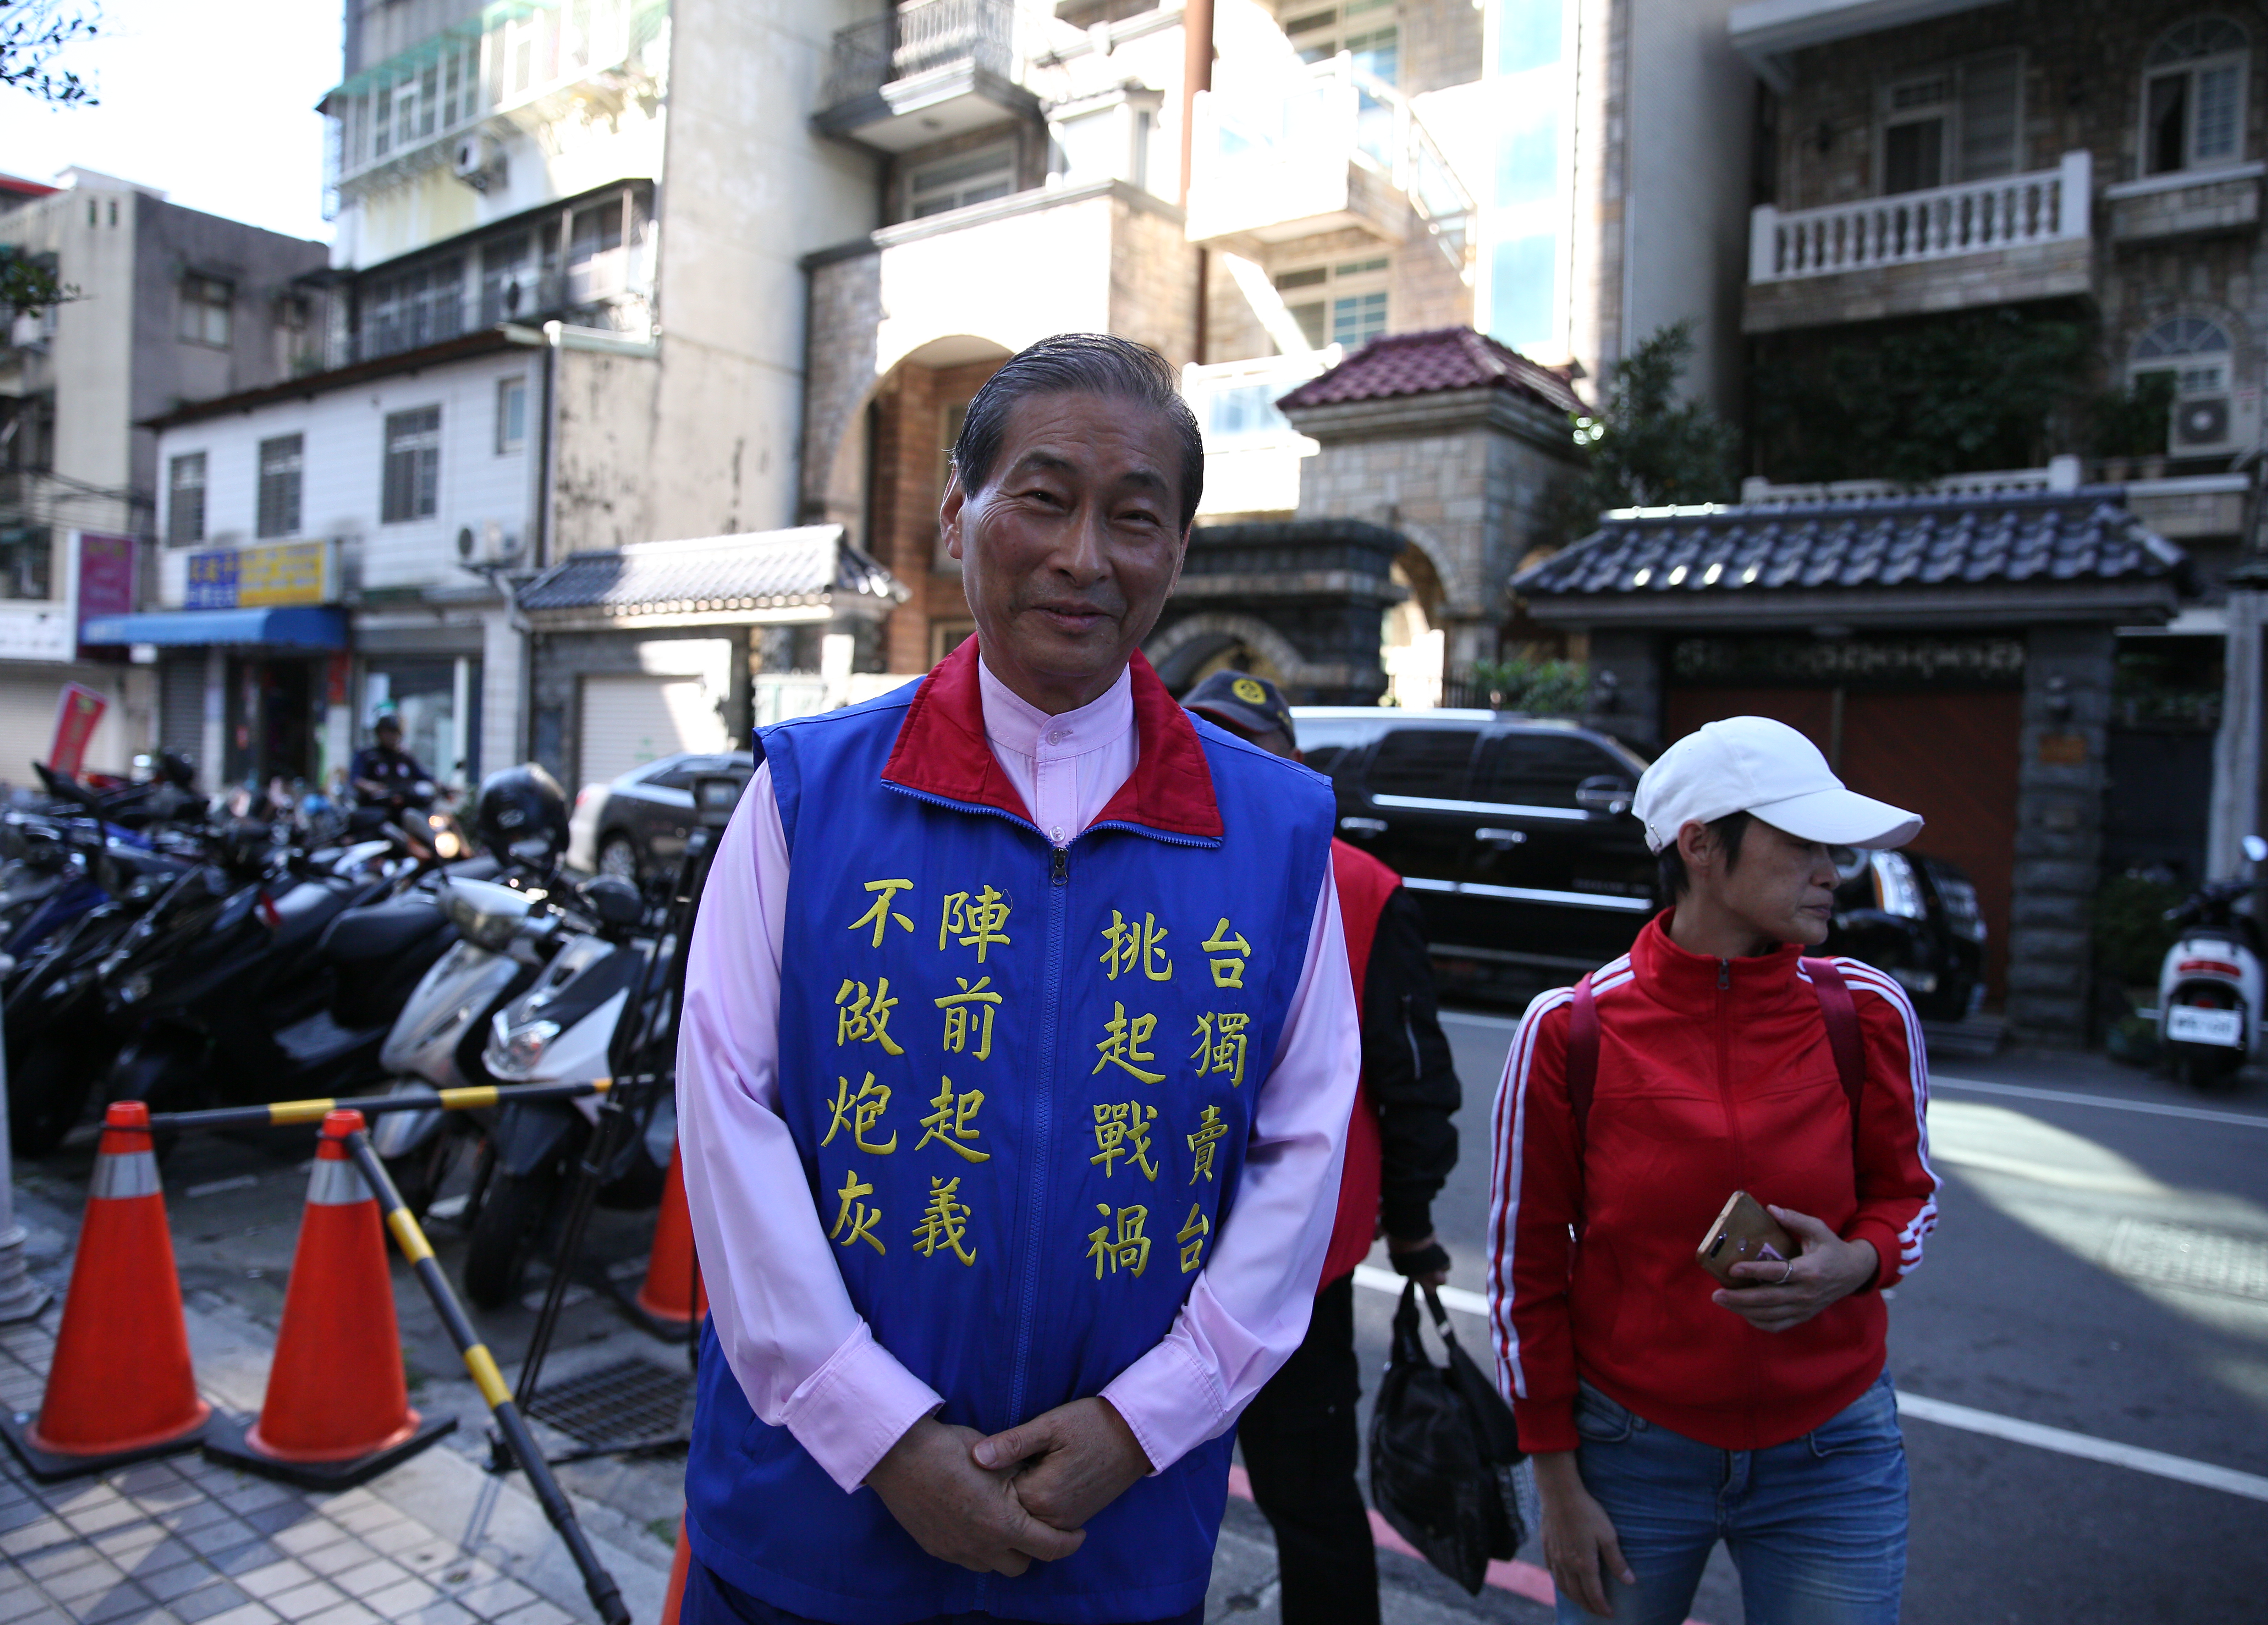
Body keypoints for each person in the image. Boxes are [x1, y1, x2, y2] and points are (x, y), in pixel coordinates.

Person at [674, 333, 1362, 1625]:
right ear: (957, 515)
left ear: (1178, 552)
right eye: (1043, 499)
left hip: (1106, 1532)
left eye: (1134, 518)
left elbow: (1303, 1147)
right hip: (814, 1524)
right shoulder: (811, 795)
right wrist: (877, 1432)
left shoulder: (1276, 830)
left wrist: (1142, 1422)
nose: (1084, 556)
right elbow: (726, 1118)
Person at [1484, 716, 1939, 1625]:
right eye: (1803, 843)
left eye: (1832, 849)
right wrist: (1557, 1485)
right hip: (1630, 1450)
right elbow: (1523, 1274)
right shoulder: (1570, 1030)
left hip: (1834, 1448)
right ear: (1699, 846)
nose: (1831, 871)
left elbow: (1908, 1197)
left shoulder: (1868, 1012)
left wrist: (1856, 1263)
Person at [1178, 670, 1460, 1625]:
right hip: (1143, 1244)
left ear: (1295, 766)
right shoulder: (1141, 855)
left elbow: (1411, 1080)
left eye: (1250, 748)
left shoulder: (1362, 888)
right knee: (1144, 1486)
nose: (1227, 766)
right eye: (1207, 743)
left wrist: (1413, 1223)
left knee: (1305, 1495)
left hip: (1298, 1262)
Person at [349, 713, 430, 810]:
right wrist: (372, 787)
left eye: (394, 733)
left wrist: (439, 786)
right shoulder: (368, 756)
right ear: (379, 734)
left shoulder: (405, 758)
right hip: (376, 806)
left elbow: (424, 776)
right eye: (387, 733)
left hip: (405, 804)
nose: (391, 737)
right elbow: (356, 779)